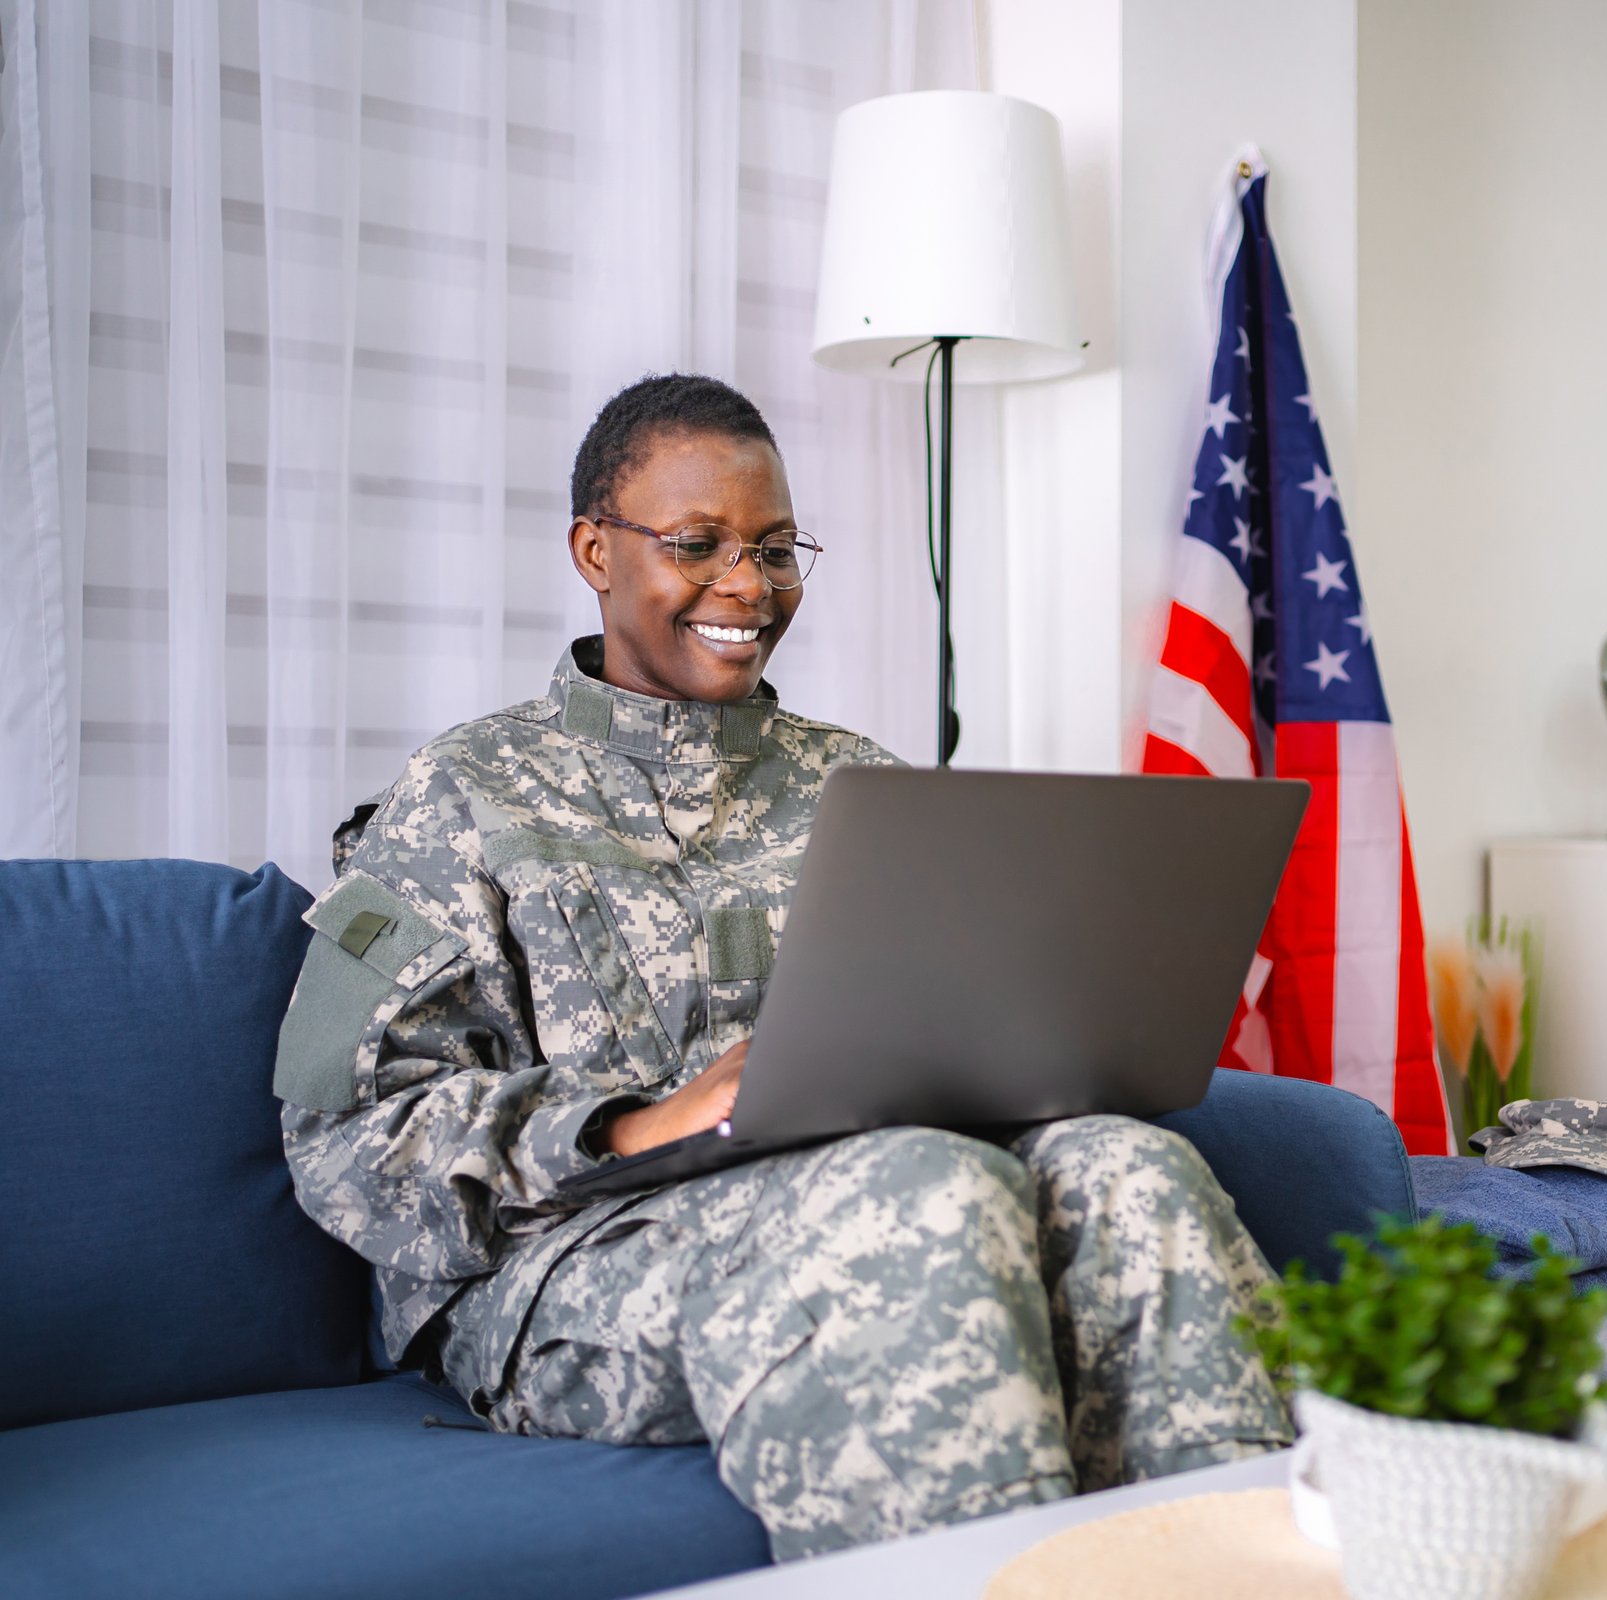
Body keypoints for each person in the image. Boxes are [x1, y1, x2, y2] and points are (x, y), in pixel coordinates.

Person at [274, 374, 1291, 1561]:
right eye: (698, 545)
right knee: (925, 1189)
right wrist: (635, 1125)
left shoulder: (863, 784)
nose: (748, 587)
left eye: (775, 548)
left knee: (1130, 1166)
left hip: (867, 1179)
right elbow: (343, 1138)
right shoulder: (461, 791)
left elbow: (967, 1027)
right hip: (566, 1261)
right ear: (595, 551)